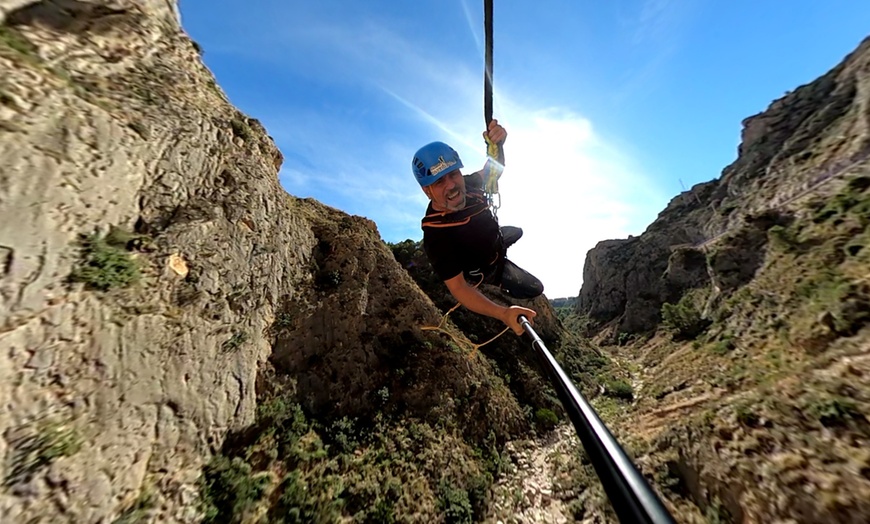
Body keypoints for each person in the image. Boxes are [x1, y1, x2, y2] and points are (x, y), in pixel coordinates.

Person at [412, 119, 543, 335]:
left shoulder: (469, 183)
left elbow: (493, 170)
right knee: (535, 288)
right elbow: (459, 288)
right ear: (427, 191)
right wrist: (503, 313)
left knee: (517, 231)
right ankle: (498, 276)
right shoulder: (436, 234)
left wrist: (497, 146)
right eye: (439, 182)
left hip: (493, 238)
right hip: (488, 266)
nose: (452, 185)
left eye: (453, 174)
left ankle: (501, 242)